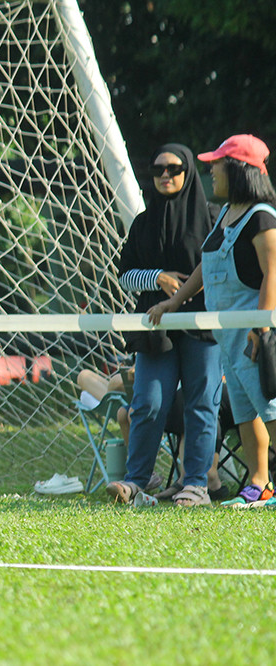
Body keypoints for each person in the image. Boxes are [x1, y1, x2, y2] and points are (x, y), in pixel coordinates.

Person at [150, 134, 276, 508]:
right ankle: (259, 484)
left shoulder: (262, 217)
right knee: (245, 411)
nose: (210, 170)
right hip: (228, 337)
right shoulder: (224, 213)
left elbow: (273, 274)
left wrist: (262, 329)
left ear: (237, 169)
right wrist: (174, 301)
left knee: (271, 411)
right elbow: (206, 267)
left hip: (256, 335)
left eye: (217, 163)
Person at [107, 143, 223, 506]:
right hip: (155, 329)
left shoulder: (213, 216)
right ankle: (137, 481)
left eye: (173, 169)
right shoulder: (144, 222)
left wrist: (187, 290)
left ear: (188, 172)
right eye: (157, 169)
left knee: (201, 404)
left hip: (203, 327)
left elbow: (220, 268)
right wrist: (157, 278)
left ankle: (196, 485)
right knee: (148, 403)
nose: (165, 176)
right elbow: (125, 275)